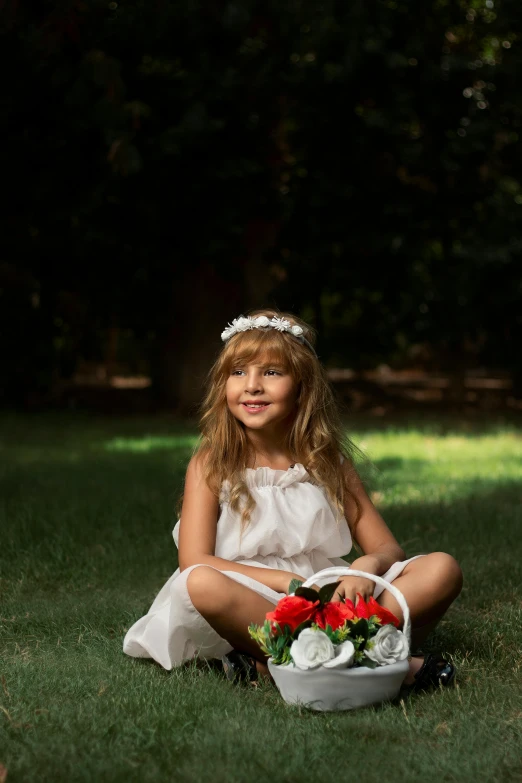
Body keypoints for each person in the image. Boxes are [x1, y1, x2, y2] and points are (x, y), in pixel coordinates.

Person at [123, 309, 463, 690]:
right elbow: (193, 561)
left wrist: (364, 566)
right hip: (253, 598)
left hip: (329, 594)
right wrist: (288, 582)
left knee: (442, 569)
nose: (252, 385)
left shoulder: (328, 461)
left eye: (271, 372)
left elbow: (386, 546)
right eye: (238, 372)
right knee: (201, 583)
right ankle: (379, 659)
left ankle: (290, 660)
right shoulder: (211, 462)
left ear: (302, 386)